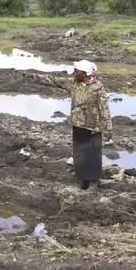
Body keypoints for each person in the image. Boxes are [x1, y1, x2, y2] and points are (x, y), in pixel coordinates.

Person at [26, 59, 113, 192]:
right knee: (80, 152)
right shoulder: (73, 84)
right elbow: (54, 80)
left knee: (92, 154)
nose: (74, 73)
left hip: (93, 127)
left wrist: (108, 128)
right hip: (77, 124)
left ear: (85, 74)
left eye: (77, 72)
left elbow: (104, 108)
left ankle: (93, 180)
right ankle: (82, 178)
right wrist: (36, 77)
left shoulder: (97, 86)